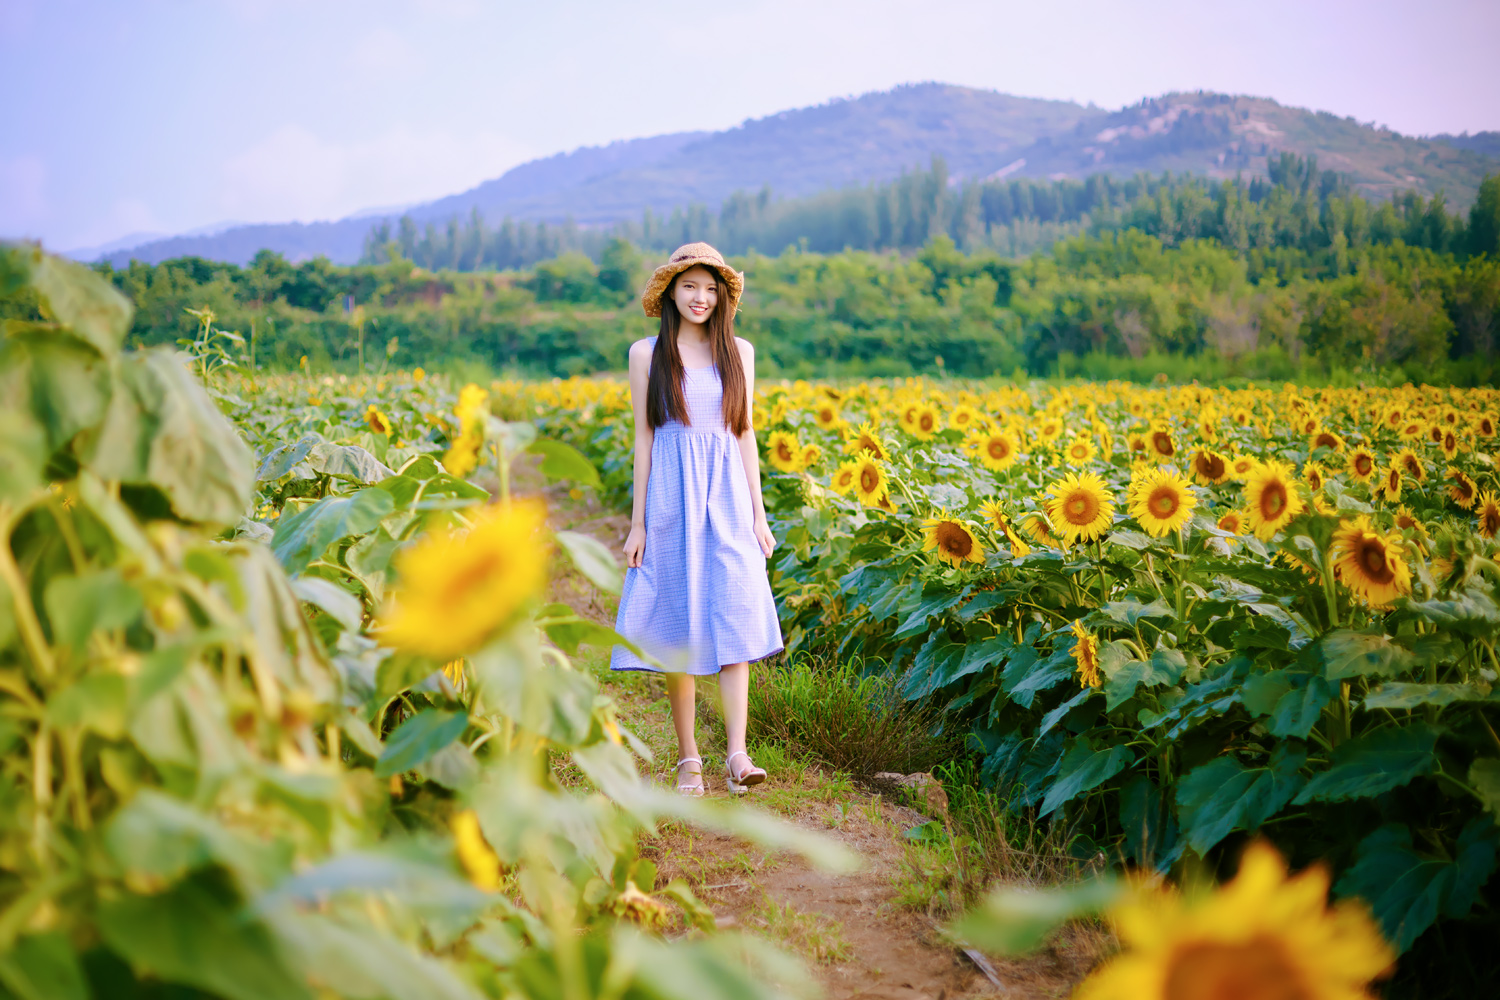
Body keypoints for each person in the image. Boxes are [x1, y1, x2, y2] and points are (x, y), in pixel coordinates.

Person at [610, 243, 784, 796]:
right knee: (680, 625)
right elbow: (644, 438)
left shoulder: (740, 352)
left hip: (729, 497)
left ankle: (737, 753)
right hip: (671, 498)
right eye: (690, 287)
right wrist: (637, 523)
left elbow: (745, 433)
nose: (700, 298)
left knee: (734, 612)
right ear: (670, 292)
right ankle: (690, 759)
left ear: (723, 297)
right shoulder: (646, 355)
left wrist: (759, 515)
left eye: (711, 289)